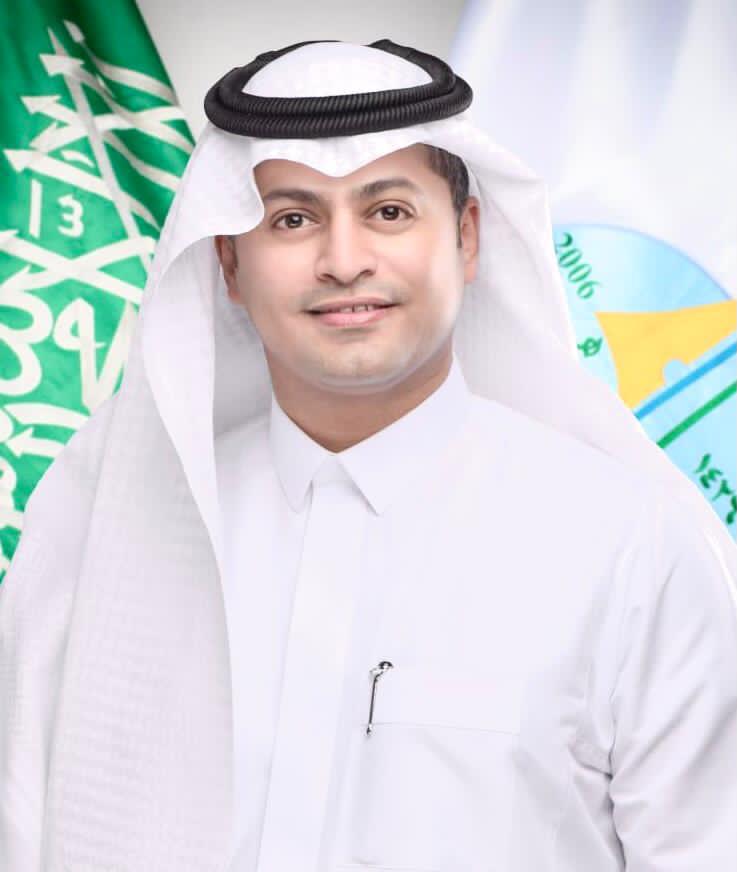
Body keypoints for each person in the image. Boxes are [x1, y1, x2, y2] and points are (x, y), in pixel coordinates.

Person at [1, 38, 736, 872]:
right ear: (229, 263)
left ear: (465, 239)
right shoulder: (103, 535)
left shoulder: (629, 545)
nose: (344, 262)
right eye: (293, 219)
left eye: (388, 212)